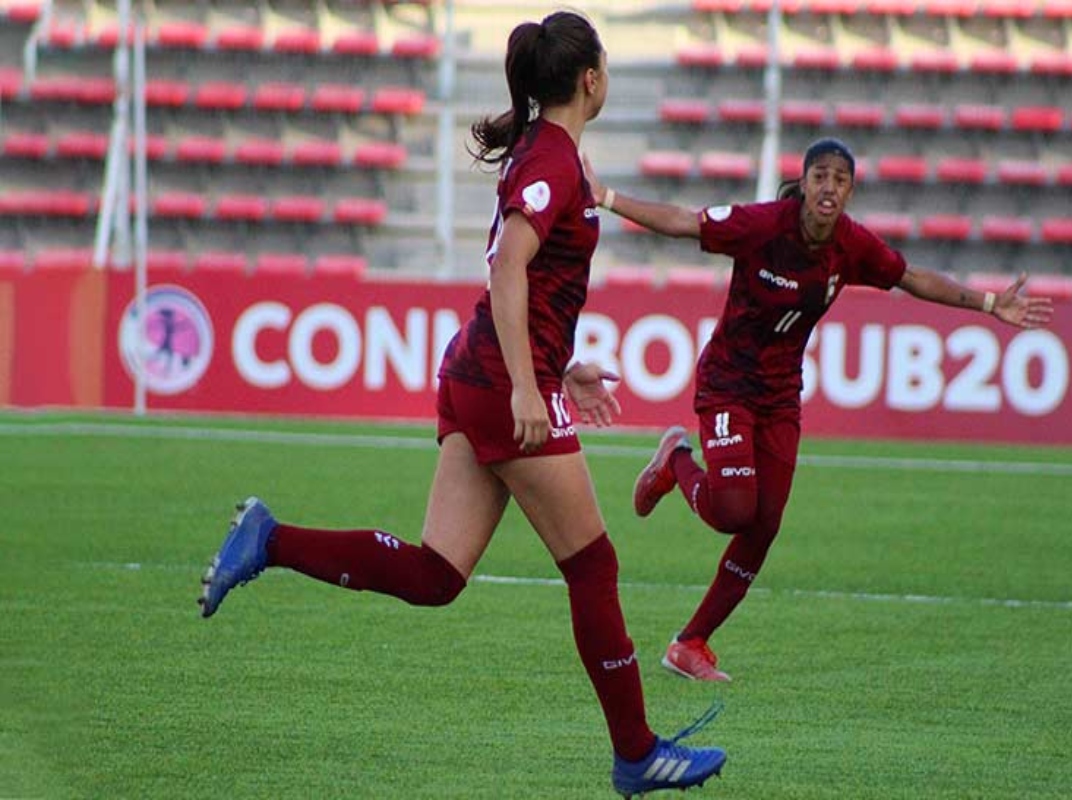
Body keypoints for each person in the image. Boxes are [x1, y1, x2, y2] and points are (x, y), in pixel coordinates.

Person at [196, 11, 726, 797]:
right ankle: (636, 752)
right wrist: (525, 381)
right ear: (591, 79)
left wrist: (558, 364)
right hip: (497, 382)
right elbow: (508, 267)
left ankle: (269, 538)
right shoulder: (551, 158)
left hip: (481, 371)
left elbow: (530, 283)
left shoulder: (552, 156)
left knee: (438, 573)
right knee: (594, 563)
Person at [584, 137, 1054, 682]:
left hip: (780, 395)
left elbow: (911, 277)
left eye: (840, 180)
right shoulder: (762, 225)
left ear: (850, 191)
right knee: (734, 510)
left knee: (764, 526)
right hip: (728, 385)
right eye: (820, 177)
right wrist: (608, 197)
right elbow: (685, 221)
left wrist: (991, 304)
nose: (829, 187)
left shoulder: (852, 246)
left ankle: (691, 643)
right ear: (804, 183)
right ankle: (675, 462)